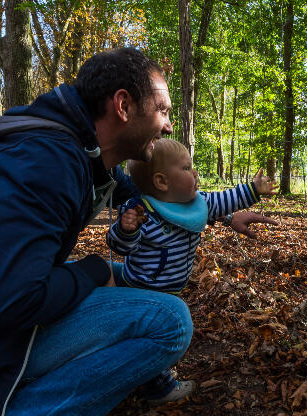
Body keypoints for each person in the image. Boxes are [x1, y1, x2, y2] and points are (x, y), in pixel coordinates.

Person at [0, 47, 276, 416]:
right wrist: (93, 270)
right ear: (123, 105)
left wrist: (225, 217)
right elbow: (8, 304)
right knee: (171, 321)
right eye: (162, 110)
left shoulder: (84, 153)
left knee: (124, 277)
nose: (168, 125)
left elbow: (159, 201)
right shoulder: (44, 163)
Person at [105, 139, 277, 403]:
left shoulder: (197, 203)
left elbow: (224, 200)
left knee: (150, 335)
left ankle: (144, 372)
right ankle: (159, 388)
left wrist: (253, 190)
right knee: (150, 337)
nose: (195, 173)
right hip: (140, 288)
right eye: (187, 168)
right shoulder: (142, 212)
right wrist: (126, 230)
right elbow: (120, 247)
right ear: (162, 182)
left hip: (169, 290)